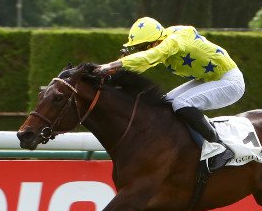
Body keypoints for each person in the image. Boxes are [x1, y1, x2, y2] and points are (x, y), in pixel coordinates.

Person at [96, 17, 246, 172]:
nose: (140, 51)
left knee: (181, 103)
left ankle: (219, 147)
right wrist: (118, 68)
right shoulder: (163, 40)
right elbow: (146, 62)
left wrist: (114, 64)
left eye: (142, 47)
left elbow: (151, 56)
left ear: (154, 42)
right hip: (211, 78)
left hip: (230, 82)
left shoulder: (173, 41)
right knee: (167, 103)